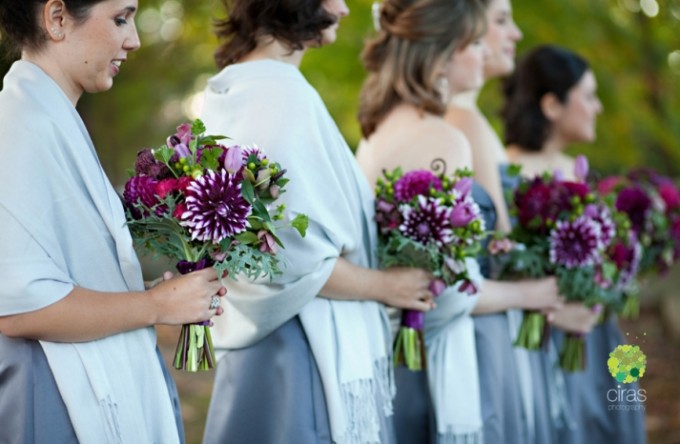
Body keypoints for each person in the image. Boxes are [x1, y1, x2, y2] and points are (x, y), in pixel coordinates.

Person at [199, 1, 434, 443]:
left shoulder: (243, 88)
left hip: (273, 352)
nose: (345, 9)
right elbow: (288, 254)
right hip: (298, 355)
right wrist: (387, 286)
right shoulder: (279, 96)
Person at [0, 1, 227, 443]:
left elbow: (63, 277)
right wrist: (157, 307)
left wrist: (166, 297)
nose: (134, 39)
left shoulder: (51, 119)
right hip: (53, 400)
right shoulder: (19, 128)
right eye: (121, 18)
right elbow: (21, 305)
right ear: (57, 19)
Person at [356, 1, 562, 442]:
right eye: (473, 43)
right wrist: (531, 292)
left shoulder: (380, 128)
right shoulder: (442, 138)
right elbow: (445, 292)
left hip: (403, 354)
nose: (484, 53)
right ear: (442, 53)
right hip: (448, 357)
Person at [444, 2, 603, 443]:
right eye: (501, 21)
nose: (515, 33)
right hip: (491, 330)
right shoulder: (462, 123)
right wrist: (548, 298)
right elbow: (496, 255)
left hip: (516, 321)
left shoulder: (474, 124)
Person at [501, 44, 647, 444]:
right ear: (552, 105)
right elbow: (501, 269)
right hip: (539, 344)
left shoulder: (577, 172)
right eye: (589, 95)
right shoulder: (505, 175)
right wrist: (554, 312)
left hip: (599, 335)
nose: (597, 107)